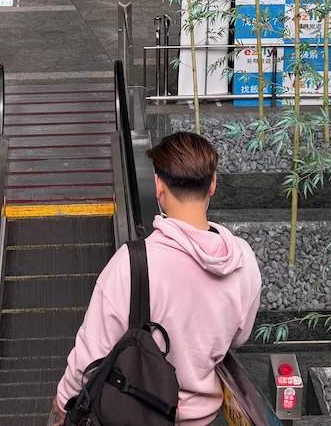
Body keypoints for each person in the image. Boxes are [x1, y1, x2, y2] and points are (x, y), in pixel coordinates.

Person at [53, 133, 260, 426]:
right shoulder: (243, 259)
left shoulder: (133, 263)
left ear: (159, 185)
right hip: (208, 418)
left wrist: (63, 404)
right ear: (212, 184)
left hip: (140, 416)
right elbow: (240, 336)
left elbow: (91, 354)